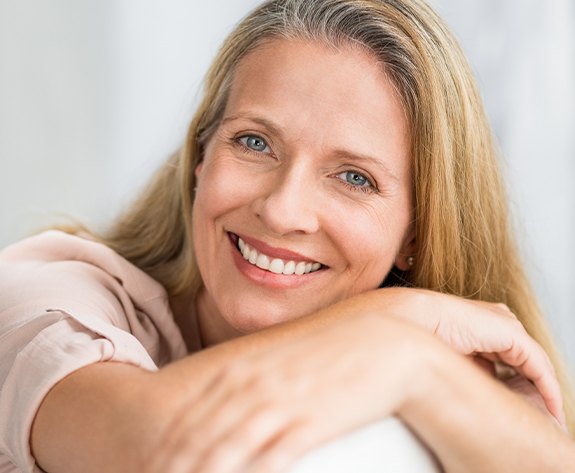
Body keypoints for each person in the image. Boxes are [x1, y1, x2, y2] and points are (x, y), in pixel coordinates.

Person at [0, 0, 574, 472]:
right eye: (254, 142)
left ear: (415, 235)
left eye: (355, 177)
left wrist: (408, 359)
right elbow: (159, 452)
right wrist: (393, 341)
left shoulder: (434, 358)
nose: (282, 211)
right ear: (200, 157)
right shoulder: (42, 299)